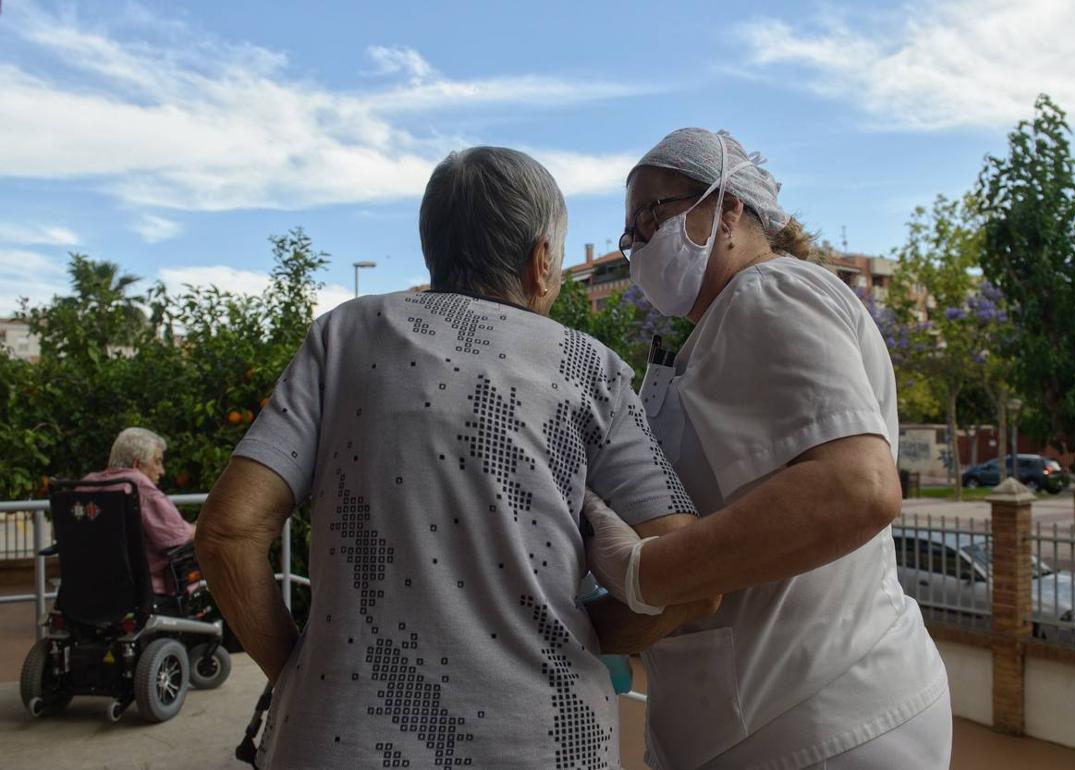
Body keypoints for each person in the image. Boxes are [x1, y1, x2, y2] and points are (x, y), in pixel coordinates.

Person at [196, 146, 715, 769]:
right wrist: (586, 635)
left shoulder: (344, 336)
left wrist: (300, 674)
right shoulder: (588, 368)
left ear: (432, 249)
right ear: (542, 260)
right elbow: (694, 582)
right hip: (542, 742)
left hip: (336, 742)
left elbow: (228, 532)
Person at [584, 128, 950, 770]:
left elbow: (855, 488)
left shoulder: (767, 292)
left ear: (727, 208)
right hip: (781, 719)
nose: (638, 241)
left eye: (653, 213)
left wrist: (649, 572)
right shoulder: (723, 326)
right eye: (629, 231)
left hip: (819, 719)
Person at [82, 427, 195, 597]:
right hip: (143, 590)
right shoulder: (139, 487)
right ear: (137, 464)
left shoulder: (88, 484)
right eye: (157, 461)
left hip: (92, 587)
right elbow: (176, 538)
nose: (162, 471)